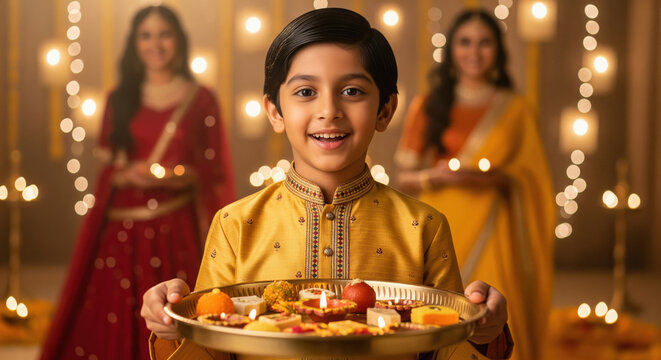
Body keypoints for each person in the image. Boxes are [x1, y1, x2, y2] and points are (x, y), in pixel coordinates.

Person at [141, 8, 512, 360]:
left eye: (352, 91)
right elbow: (211, 342)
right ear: (275, 111)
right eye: (306, 92)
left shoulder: (424, 227)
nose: (329, 110)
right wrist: (171, 326)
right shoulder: (235, 225)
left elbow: (445, 343)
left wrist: (484, 331)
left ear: (385, 110)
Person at [40, 5, 235, 360]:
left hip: (175, 229)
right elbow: (112, 164)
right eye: (146, 35)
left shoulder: (201, 98)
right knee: (110, 318)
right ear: (135, 43)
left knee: (173, 314)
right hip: (120, 234)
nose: (155, 44)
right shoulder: (120, 98)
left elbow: (213, 169)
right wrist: (126, 174)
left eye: (164, 34)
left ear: (179, 41)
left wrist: (182, 177)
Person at [395, 9, 555, 360]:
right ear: (452, 48)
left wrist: (489, 178)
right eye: (465, 42)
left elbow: (533, 177)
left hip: (497, 232)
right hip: (441, 227)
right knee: (442, 314)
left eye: (485, 43)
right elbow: (404, 177)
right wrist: (435, 176)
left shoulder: (515, 110)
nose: (474, 52)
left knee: (490, 314)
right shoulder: (429, 105)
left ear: (497, 50)